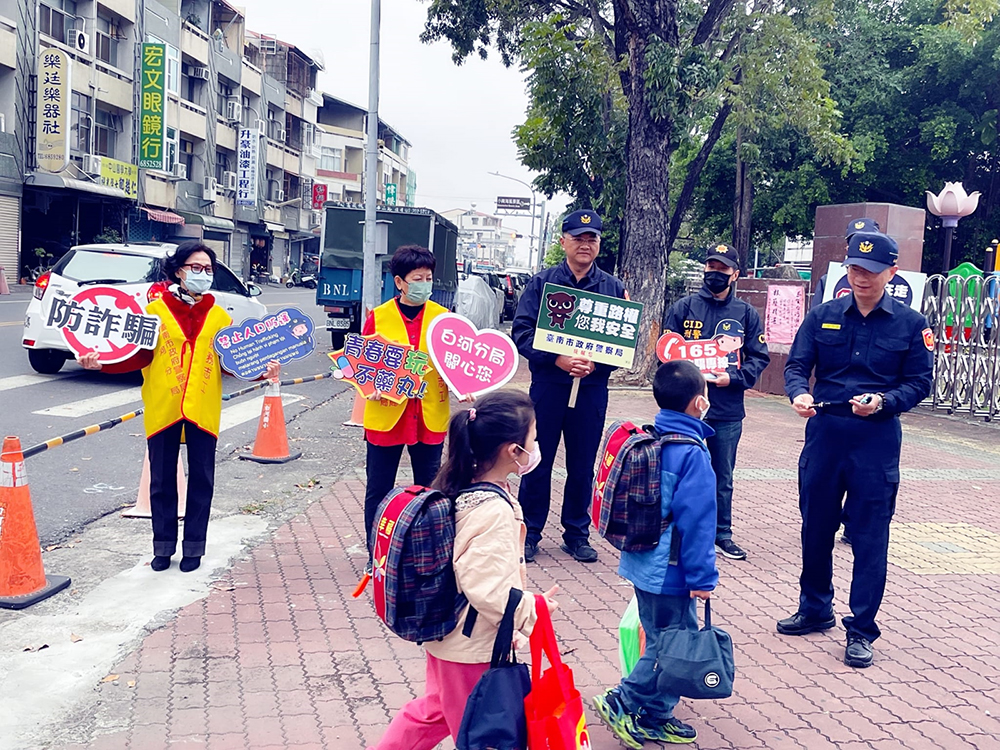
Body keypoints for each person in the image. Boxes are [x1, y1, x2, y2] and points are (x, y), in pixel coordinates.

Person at [370, 390, 559, 749]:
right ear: (513, 451)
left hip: (449, 633)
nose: (537, 445)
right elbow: (486, 588)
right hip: (470, 645)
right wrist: (531, 609)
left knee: (435, 710)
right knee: (478, 731)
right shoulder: (493, 510)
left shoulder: (460, 482)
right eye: (533, 437)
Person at [780, 231, 933, 669]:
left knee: (869, 537)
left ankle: (862, 629)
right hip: (825, 434)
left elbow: (920, 382)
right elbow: (797, 365)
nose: (860, 277)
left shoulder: (910, 324)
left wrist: (886, 401)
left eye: (870, 270)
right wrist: (797, 393)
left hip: (876, 442)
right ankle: (814, 608)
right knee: (816, 527)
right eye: (854, 269)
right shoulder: (823, 315)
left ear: (892, 272)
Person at [78, 241, 279, 572]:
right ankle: (163, 547)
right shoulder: (154, 312)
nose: (203, 275)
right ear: (178, 271)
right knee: (161, 480)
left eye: (208, 269)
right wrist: (101, 365)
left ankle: (194, 549)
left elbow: (230, 363)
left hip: (202, 408)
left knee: (202, 479)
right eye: (195, 268)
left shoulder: (218, 315)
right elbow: (138, 356)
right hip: (163, 407)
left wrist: (261, 372)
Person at [592, 360, 718, 748]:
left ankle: (657, 713)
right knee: (670, 644)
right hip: (672, 570)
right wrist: (702, 579)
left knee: (662, 637)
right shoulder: (692, 454)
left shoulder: (652, 438)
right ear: (699, 403)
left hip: (642, 560)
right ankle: (623, 701)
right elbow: (697, 522)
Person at [511, 209, 626, 564]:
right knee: (536, 461)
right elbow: (522, 333)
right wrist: (557, 359)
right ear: (563, 242)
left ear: (598, 244)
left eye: (591, 239)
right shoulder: (541, 283)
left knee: (582, 464)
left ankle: (576, 533)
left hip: (591, 389)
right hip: (549, 385)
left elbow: (622, 343)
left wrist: (597, 363)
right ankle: (529, 532)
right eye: (578, 238)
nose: (584, 245)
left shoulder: (612, 288)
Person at [662, 244, 769, 561]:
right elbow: (667, 353)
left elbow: (758, 357)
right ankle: (676, 537)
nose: (714, 274)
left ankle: (722, 534)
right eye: (710, 267)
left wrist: (733, 379)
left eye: (722, 269)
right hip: (685, 411)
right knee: (679, 473)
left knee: (722, 476)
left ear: (735, 274)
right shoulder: (683, 308)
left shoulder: (746, 314)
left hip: (725, 409)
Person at [361, 245, 452, 552]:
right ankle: (377, 552)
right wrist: (368, 384)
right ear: (399, 282)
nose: (424, 284)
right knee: (379, 488)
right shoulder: (379, 317)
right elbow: (363, 365)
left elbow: (455, 363)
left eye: (428, 278)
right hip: (387, 415)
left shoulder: (444, 319)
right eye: (417, 278)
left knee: (429, 488)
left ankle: (424, 551)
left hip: (429, 414)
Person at [812, 217, 881, 310]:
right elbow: (814, 318)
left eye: (867, 242)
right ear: (847, 248)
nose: (861, 247)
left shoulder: (889, 279)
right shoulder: (827, 281)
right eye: (855, 242)